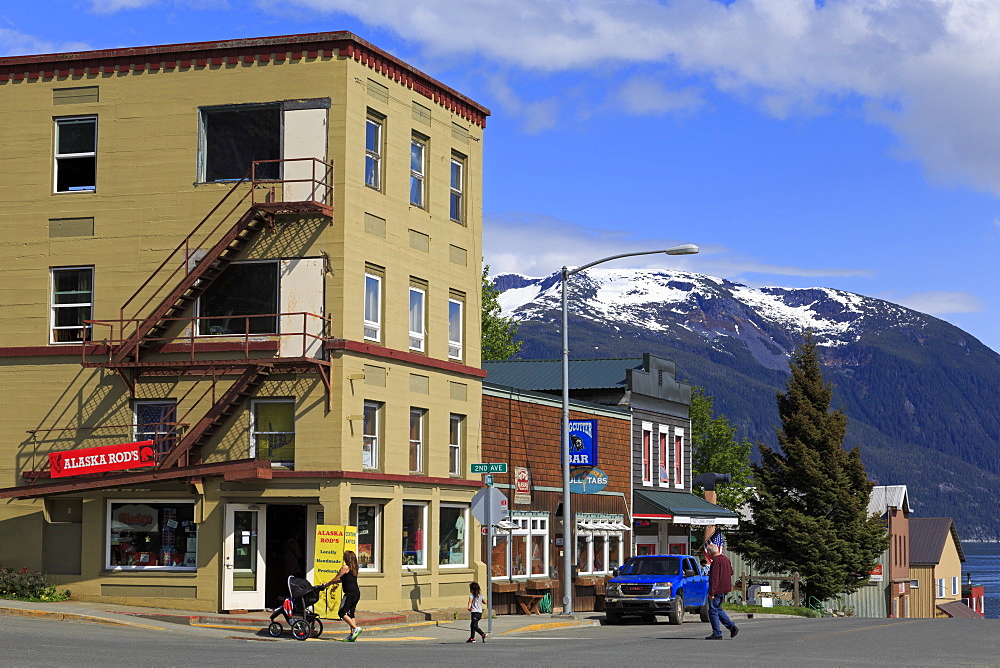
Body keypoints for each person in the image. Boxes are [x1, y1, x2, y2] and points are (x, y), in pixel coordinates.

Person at [705, 542, 739, 640]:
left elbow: (714, 578)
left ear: (711, 552)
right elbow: (731, 572)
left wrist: (712, 592)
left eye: (708, 553)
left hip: (717, 589)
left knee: (712, 611)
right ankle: (731, 627)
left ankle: (717, 632)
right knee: (718, 609)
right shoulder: (726, 559)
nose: (708, 555)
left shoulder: (716, 561)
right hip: (725, 588)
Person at [327, 550, 363, 641]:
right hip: (356, 592)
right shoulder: (354, 567)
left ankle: (355, 628)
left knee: (341, 612)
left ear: (346, 558)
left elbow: (336, 578)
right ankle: (352, 635)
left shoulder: (345, 567)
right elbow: (344, 580)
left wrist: (326, 584)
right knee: (351, 613)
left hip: (349, 593)